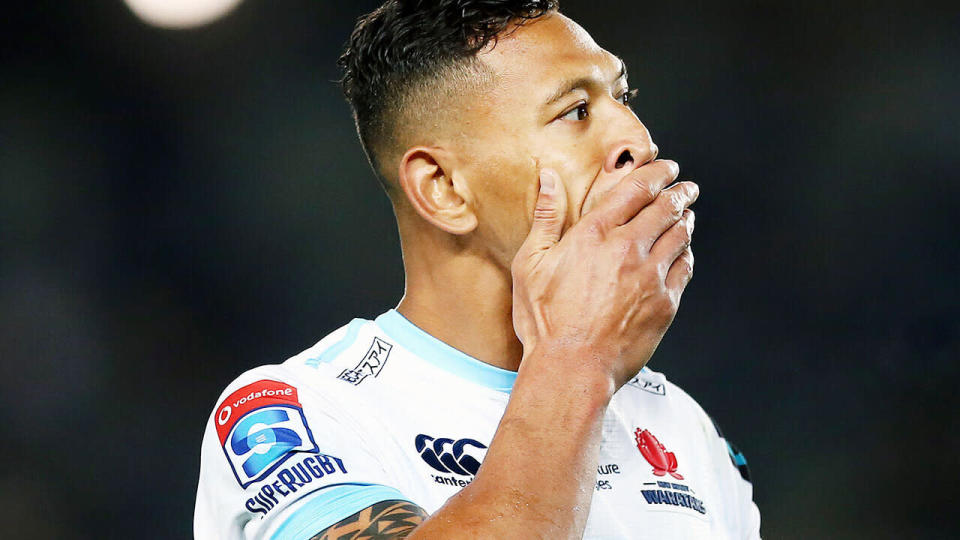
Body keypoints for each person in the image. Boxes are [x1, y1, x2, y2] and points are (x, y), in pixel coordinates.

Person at [194, 1, 761, 538]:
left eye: (623, 95)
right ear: (443, 189)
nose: (638, 140)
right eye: (576, 112)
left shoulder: (683, 430)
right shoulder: (297, 413)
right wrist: (575, 355)